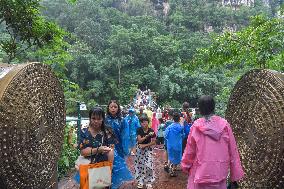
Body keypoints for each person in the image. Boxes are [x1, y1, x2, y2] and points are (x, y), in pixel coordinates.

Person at [181, 95, 244, 189]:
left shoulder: (196, 126)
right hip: (219, 174)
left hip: (199, 174)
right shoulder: (225, 125)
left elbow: (190, 150)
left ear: (200, 109)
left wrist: (185, 166)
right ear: (213, 107)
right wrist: (234, 175)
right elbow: (233, 151)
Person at [74, 107, 115, 185]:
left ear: (103, 119)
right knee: (87, 185)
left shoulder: (108, 131)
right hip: (87, 166)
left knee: (102, 185)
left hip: (103, 166)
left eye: (99, 118)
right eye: (93, 118)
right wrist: (99, 149)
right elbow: (83, 152)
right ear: (89, 118)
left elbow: (111, 150)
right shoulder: (83, 132)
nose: (96, 121)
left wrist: (110, 169)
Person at [105, 99, 134, 189]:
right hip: (107, 146)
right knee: (108, 165)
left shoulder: (122, 120)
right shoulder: (104, 120)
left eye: (115, 107)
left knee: (117, 166)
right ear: (108, 108)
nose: (113, 108)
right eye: (111, 107)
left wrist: (126, 149)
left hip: (119, 147)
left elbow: (125, 136)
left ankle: (115, 185)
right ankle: (107, 183)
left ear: (118, 108)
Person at [135, 114, 156, 189]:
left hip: (148, 150)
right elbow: (139, 140)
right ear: (140, 123)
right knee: (140, 166)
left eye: (146, 122)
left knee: (149, 165)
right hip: (139, 150)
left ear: (148, 122)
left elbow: (154, 142)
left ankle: (149, 181)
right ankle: (141, 181)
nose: (144, 123)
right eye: (142, 122)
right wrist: (147, 136)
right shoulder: (139, 130)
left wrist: (145, 145)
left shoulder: (151, 130)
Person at [164, 111, 185, 177]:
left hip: (170, 144)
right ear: (179, 119)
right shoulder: (181, 127)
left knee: (171, 156)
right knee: (176, 158)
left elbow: (166, 135)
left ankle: (167, 165)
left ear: (173, 118)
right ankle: (172, 170)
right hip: (178, 145)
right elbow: (183, 135)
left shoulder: (169, 127)